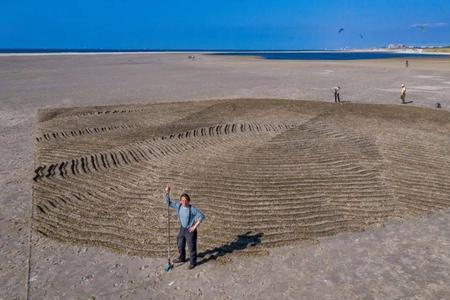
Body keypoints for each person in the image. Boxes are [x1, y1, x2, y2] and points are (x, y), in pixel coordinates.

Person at [164, 186, 205, 269]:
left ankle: (193, 262)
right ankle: (182, 258)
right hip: (182, 228)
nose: (184, 202)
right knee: (180, 243)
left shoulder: (192, 209)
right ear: (180, 201)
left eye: (186, 200)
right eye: (182, 200)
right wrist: (167, 193)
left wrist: (194, 227)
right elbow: (168, 202)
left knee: (191, 247)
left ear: (188, 201)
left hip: (190, 230)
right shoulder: (178, 206)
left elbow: (202, 216)